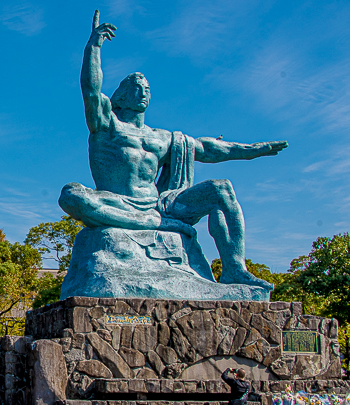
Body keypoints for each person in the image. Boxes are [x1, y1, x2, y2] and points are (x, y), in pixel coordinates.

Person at [59, 11, 288, 290]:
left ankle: (234, 269)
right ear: (119, 95)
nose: (142, 91)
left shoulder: (163, 138)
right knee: (72, 195)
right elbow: (91, 90)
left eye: (146, 88)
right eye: (135, 87)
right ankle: (154, 223)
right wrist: (93, 47)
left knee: (222, 189)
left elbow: (209, 148)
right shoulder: (107, 125)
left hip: (160, 205)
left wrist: (253, 149)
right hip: (116, 202)